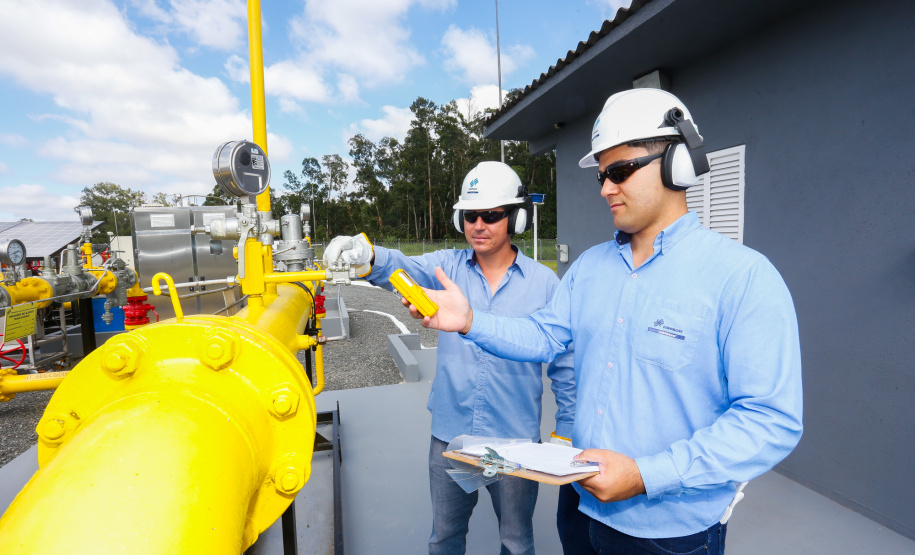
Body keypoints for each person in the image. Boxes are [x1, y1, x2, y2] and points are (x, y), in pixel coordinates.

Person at [401, 88, 803, 554]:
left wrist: (645, 475)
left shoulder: (743, 277)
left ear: (678, 161)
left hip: (668, 533)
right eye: (602, 175)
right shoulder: (589, 268)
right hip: (579, 506)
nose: (606, 187)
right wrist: (472, 321)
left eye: (620, 171)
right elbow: (543, 335)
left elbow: (770, 419)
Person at [322, 161, 575, 555]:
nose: (478, 224)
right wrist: (368, 255)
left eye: (491, 215)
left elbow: (565, 362)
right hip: (451, 436)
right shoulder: (448, 268)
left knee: (517, 541)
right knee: (444, 539)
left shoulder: (545, 284)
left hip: (514, 442)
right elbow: (402, 267)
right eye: (470, 215)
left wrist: (567, 427)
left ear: (516, 218)